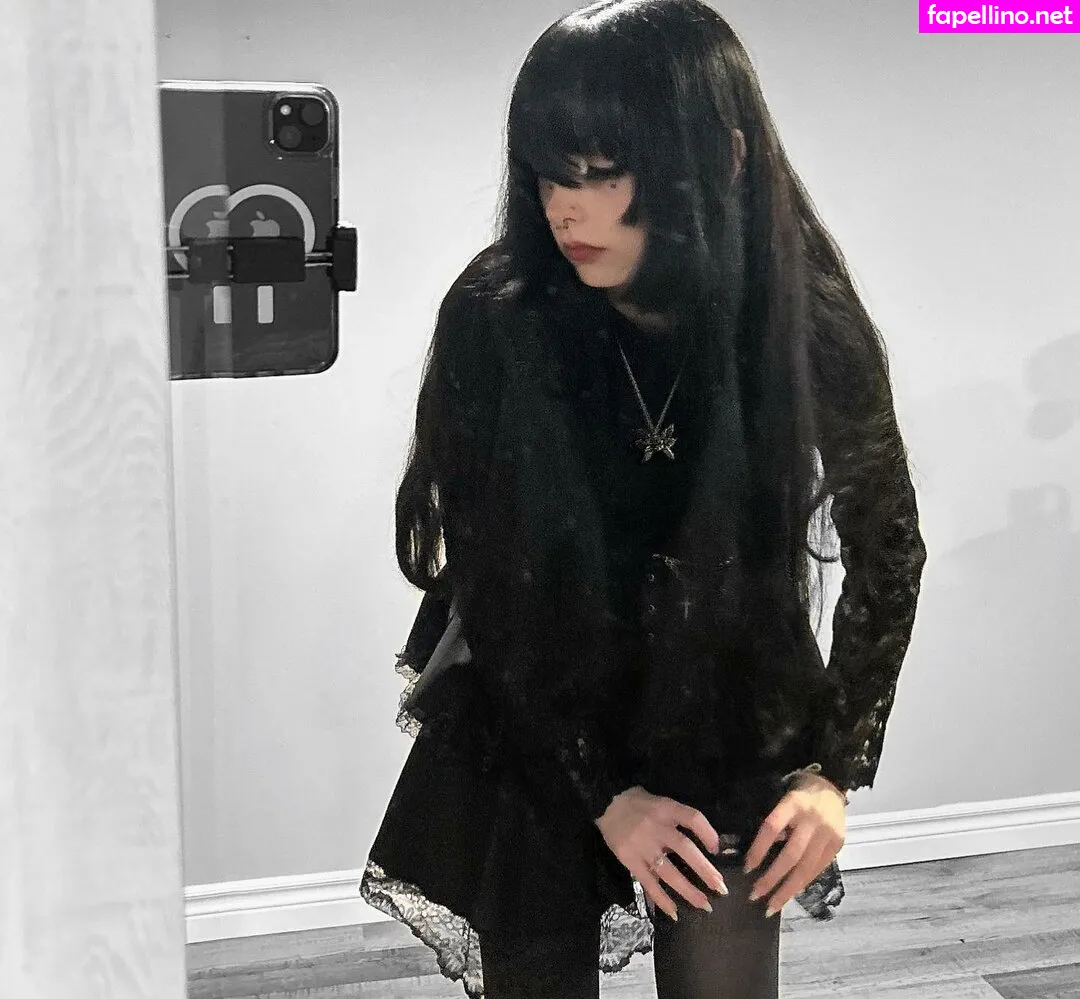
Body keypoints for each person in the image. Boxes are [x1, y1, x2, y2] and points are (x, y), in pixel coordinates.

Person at [360, 1, 928, 996]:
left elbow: (889, 545)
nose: (563, 210)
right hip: (537, 693)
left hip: (719, 694)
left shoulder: (803, 318)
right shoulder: (499, 318)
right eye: (548, 173)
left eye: (599, 173)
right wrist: (606, 794)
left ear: (722, 159)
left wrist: (834, 770)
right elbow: (494, 584)